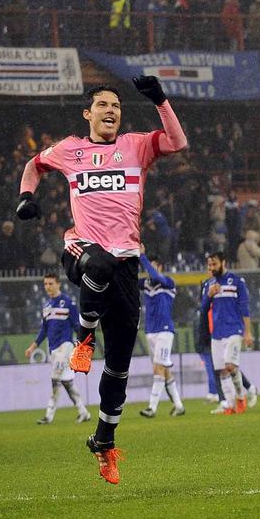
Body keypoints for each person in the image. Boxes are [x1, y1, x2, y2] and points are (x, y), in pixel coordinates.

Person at [14, 77, 187, 484]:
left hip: (127, 263)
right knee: (100, 265)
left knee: (120, 365)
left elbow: (177, 142)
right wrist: (26, 196)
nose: (111, 111)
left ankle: (104, 442)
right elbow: (33, 165)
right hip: (82, 250)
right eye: (103, 105)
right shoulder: (69, 149)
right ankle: (85, 338)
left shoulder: (136, 146)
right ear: (87, 113)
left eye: (117, 106)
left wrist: (160, 100)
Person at [24, 273, 91, 425]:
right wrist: (32, 347)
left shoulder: (68, 302)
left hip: (65, 346)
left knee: (55, 378)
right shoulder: (46, 306)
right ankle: (83, 412)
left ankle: (48, 415)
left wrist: (84, 344)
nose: (47, 287)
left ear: (58, 284)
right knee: (66, 382)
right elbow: (44, 330)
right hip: (53, 349)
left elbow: (77, 325)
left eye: (51, 283)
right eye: (45, 284)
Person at [199, 252, 253, 415]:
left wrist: (247, 332)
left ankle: (241, 396)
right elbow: (203, 309)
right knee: (222, 370)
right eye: (209, 265)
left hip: (234, 330)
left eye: (214, 264)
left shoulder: (236, 281)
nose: (211, 267)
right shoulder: (209, 285)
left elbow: (244, 308)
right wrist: (209, 295)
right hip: (217, 332)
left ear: (223, 262)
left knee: (230, 366)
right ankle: (229, 404)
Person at [137, 252, 185, 417]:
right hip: (150, 331)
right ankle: (179, 405)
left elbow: (155, 276)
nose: (149, 270)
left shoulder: (168, 282)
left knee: (158, 368)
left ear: (160, 267)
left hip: (164, 331)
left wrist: (142, 256)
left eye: (152, 266)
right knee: (163, 370)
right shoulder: (145, 284)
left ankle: (152, 408)